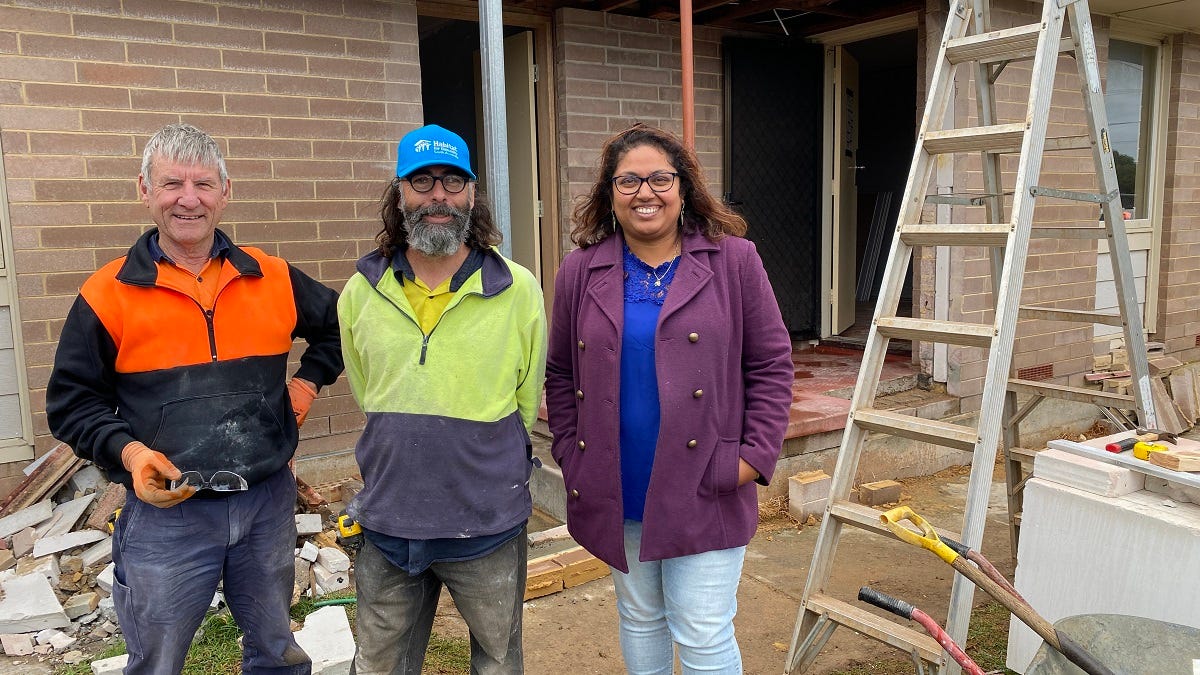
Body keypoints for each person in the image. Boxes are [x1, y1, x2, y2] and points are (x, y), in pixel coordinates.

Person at [46, 123, 342, 675]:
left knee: (276, 652)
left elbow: (340, 327)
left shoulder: (272, 277)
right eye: (172, 184)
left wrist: (306, 383)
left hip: (266, 504)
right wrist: (131, 453)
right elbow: (71, 403)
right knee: (157, 663)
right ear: (145, 190)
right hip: (168, 514)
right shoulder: (107, 294)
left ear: (225, 192)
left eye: (203, 184)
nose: (189, 199)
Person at [545, 123, 794, 674]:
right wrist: (571, 453)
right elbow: (560, 373)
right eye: (628, 181)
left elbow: (772, 364)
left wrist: (752, 458)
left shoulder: (734, 261)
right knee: (639, 618)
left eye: (660, 178)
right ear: (610, 194)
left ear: (683, 187)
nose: (646, 193)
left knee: (703, 630)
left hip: (707, 479)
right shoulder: (580, 271)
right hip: (618, 481)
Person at [338, 124, 547, 675]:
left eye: (453, 181)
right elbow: (369, 393)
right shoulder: (361, 292)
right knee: (379, 664)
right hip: (389, 519)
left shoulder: (518, 289)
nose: (438, 196)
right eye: (422, 181)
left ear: (472, 193)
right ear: (399, 193)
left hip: (487, 522)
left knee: (498, 662)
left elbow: (525, 400)